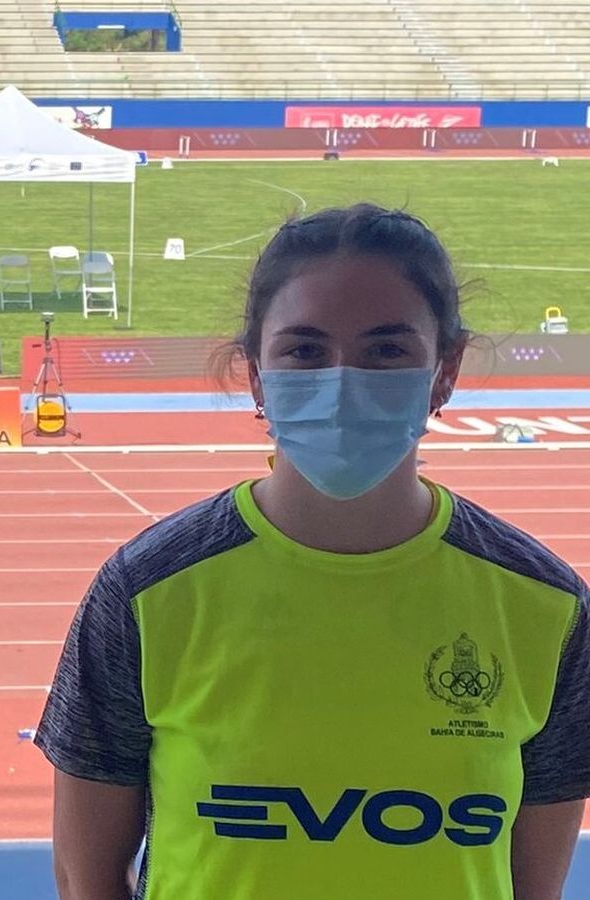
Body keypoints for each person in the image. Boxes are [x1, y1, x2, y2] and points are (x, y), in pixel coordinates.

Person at [36, 204, 590, 900]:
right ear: (258, 375)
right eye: (304, 350)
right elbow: (84, 877)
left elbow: (534, 887)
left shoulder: (547, 608)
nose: (342, 380)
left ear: (444, 371)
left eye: (387, 350)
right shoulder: (146, 592)